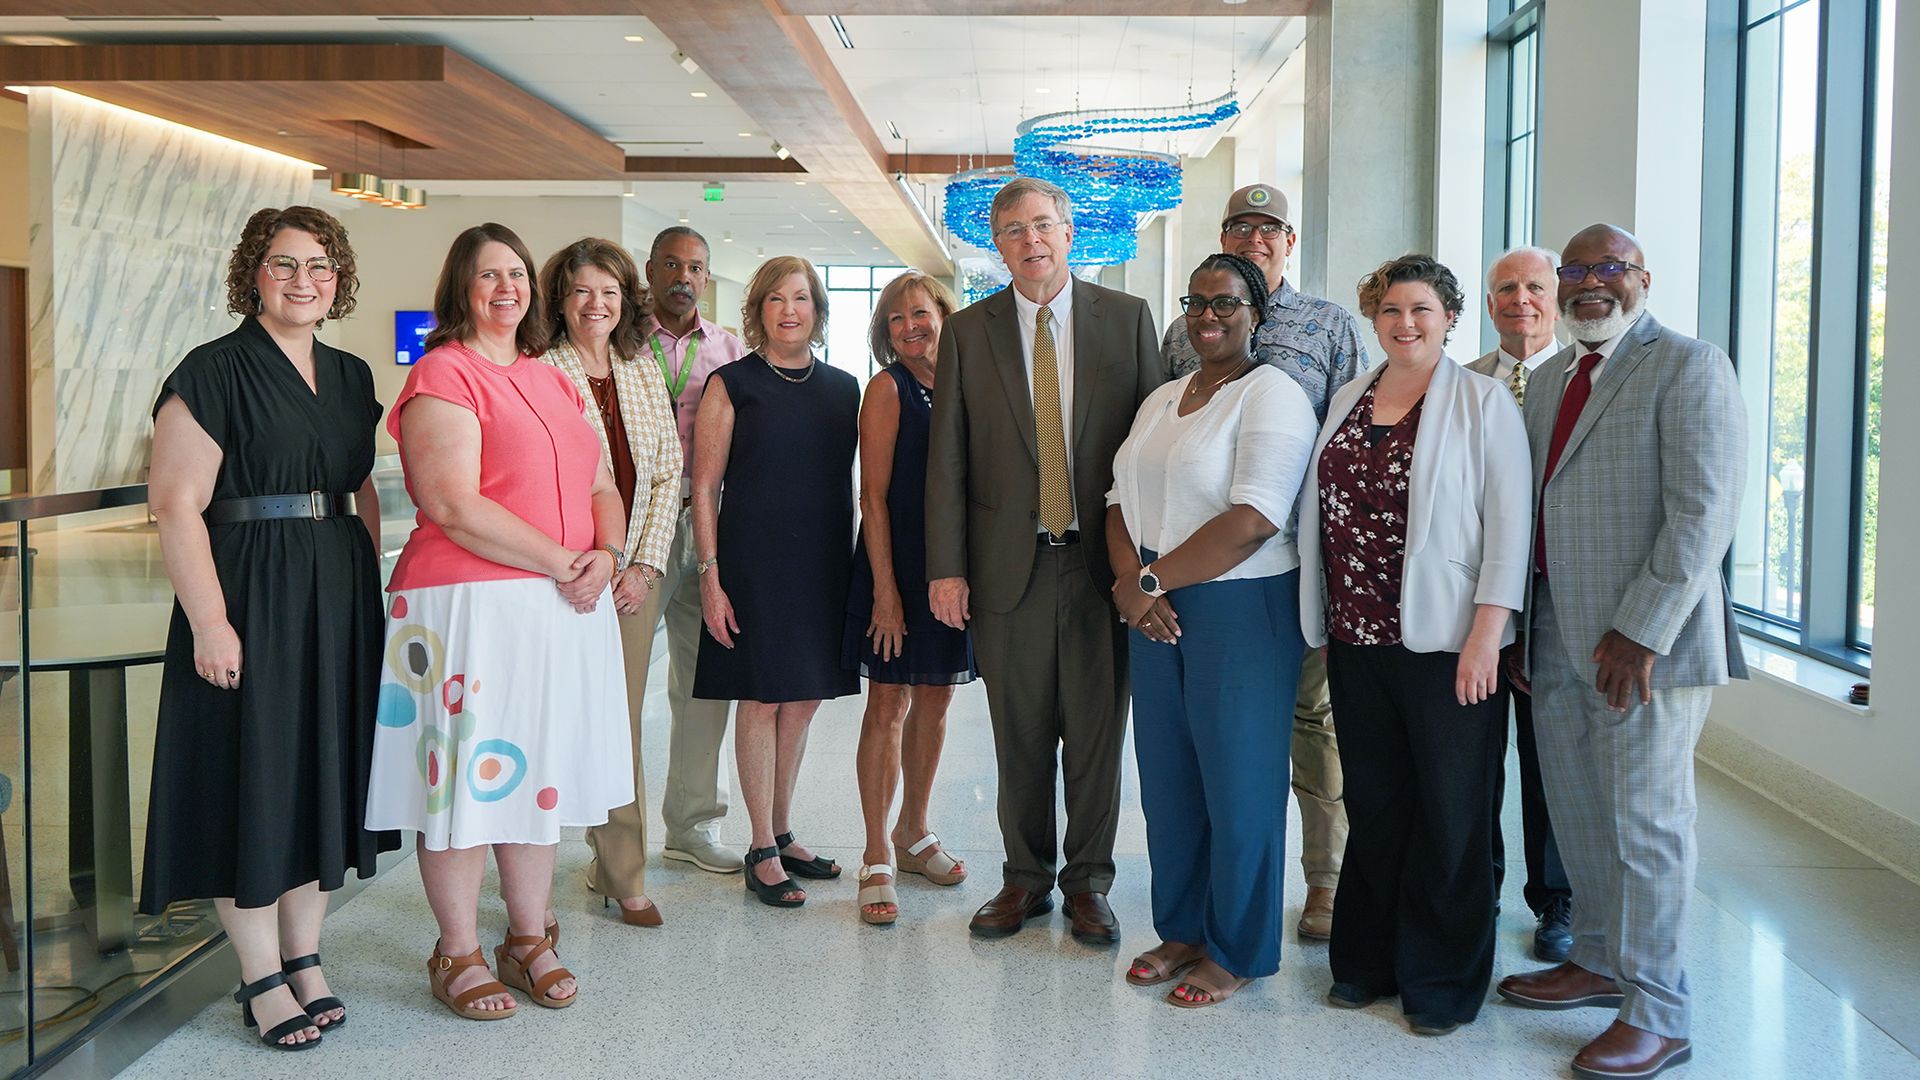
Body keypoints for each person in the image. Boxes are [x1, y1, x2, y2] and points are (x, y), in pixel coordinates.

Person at [143, 205, 397, 1050]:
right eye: (284, 264)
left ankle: (306, 957)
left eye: (320, 266)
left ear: (339, 280)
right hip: (248, 593)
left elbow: (361, 490)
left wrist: (378, 590)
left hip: (338, 591)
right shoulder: (212, 371)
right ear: (254, 272)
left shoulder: (354, 375)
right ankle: (258, 975)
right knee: (252, 776)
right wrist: (210, 623)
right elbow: (175, 505)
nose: (303, 281)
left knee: (320, 776)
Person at [1496, 225, 1746, 1080]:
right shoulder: (1554, 378)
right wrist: (1525, 628)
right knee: (1579, 809)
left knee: (1645, 821)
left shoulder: (1688, 365)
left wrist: (1642, 628)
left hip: (1643, 645)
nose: (1590, 284)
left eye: (1611, 269)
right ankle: (1598, 959)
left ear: (1644, 277)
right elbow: (1533, 511)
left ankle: (1660, 1010)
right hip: (1558, 634)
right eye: (1577, 271)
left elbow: (1704, 514)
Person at [366, 222, 633, 1019]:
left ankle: (527, 939)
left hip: (560, 605)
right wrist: (564, 562)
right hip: (467, 606)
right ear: (462, 288)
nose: (506, 287)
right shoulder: (442, 373)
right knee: (460, 784)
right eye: (489, 275)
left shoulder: (552, 379)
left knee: (537, 778)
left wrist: (607, 554)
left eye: (518, 273)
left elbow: (601, 482)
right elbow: (451, 503)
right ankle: (455, 953)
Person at [1300, 254, 1531, 1037]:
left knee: (1451, 814)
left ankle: (1442, 982)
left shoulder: (1482, 402)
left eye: (1422, 310)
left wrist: (1487, 638)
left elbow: (1509, 525)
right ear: (1374, 319)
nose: (1406, 323)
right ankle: (1368, 961)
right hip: (1357, 640)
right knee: (1377, 803)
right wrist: (1330, 621)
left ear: (1450, 318)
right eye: (1392, 310)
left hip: (1448, 645)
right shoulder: (1348, 398)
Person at [927, 176, 1162, 944]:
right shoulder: (967, 331)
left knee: (1097, 737)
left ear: (1070, 232)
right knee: (1019, 735)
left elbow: (1153, 451)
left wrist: (1151, 570)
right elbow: (948, 462)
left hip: (1104, 568)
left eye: (1043, 225)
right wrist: (946, 568)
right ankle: (1023, 881)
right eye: (1013, 230)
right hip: (1008, 569)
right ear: (997, 245)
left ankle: (1089, 884)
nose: (1031, 240)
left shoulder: (1126, 320)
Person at [1160, 183, 1369, 941]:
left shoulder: (1328, 325)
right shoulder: (1189, 327)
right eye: (1239, 226)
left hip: (1296, 553)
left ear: (1289, 238)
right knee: (1221, 733)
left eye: (1268, 227)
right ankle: (1221, 881)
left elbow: (1354, 433)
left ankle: (1324, 880)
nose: (1254, 237)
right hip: (1202, 566)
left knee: (1312, 721)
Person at [1108, 254, 1318, 1007]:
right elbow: (1114, 497)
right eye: (1196, 302)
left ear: (1256, 313)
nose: (1209, 315)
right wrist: (1133, 585)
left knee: (1240, 784)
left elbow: (1256, 517)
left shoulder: (1273, 394)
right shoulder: (1165, 396)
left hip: (1239, 608)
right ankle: (1183, 928)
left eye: (1226, 303)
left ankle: (1236, 948)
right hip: (1155, 604)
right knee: (1169, 781)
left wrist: (1151, 583)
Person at [690, 255, 860, 909]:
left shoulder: (845, 388)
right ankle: (759, 843)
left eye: (802, 298)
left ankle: (783, 828)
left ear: (817, 311)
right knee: (761, 699)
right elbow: (705, 485)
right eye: (777, 299)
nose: (790, 309)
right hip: (752, 566)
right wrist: (711, 576)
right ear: (757, 309)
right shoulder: (732, 383)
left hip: (821, 564)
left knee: (804, 699)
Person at [536, 237, 682, 928]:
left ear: (626, 300)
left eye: (609, 292)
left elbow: (665, 474)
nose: (596, 304)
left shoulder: (641, 364)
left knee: (617, 726)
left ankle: (622, 872)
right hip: (560, 576)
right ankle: (527, 877)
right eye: (582, 291)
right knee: (551, 724)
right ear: (559, 299)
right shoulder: (540, 369)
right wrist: (587, 564)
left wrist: (643, 565)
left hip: (632, 579)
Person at [841, 271, 978, 926]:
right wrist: (887, 594)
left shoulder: (963, 385)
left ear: (945, 316)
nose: (910, 326)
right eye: (894, 319)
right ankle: (875, 852)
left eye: (919, 313)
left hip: (951, 571)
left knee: (939, 696)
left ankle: (914, 831)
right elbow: (873, 499)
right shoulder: (887, 389)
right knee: (888, 701)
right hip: (896, 568)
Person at [1466, 246, 1576, 963]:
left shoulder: (1585, 381)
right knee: (1471, 760)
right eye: (1505, 287)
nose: (1520, 299)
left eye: (1535, 286)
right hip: (1469, 603)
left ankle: (1556, 901)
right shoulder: (1463, 382)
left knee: (1548, 759)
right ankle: (1477, 890)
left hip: (1552, 604)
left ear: (1558, 296)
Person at [642, 227, 753, 876]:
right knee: (617, 687)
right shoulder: (622, 342)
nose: (684, 276)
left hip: (706, 525)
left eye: (696, 267)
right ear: (650, 270)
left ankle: (691, 826)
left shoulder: (728, 349)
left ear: (707, 279)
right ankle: (613, 833)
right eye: (673, 264)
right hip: (632, 530)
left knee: (703, 683)